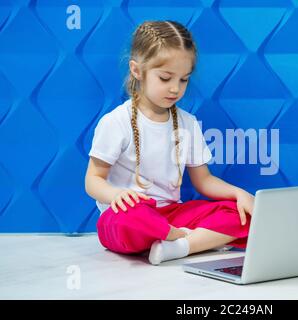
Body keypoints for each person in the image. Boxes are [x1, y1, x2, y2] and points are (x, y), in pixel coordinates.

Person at [84, 20, 254, 265]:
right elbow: (93, 180)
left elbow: (204, 180)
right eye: (165, 78)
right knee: (128, 219)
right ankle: (177, 237)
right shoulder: (116, 122)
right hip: (130, 214)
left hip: (172, 213)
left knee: (239, 214)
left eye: (184, 80)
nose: (175, 88)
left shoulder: (188, 122)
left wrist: (239, 195)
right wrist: (116, 195)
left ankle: (181, 245)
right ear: (137, 70)